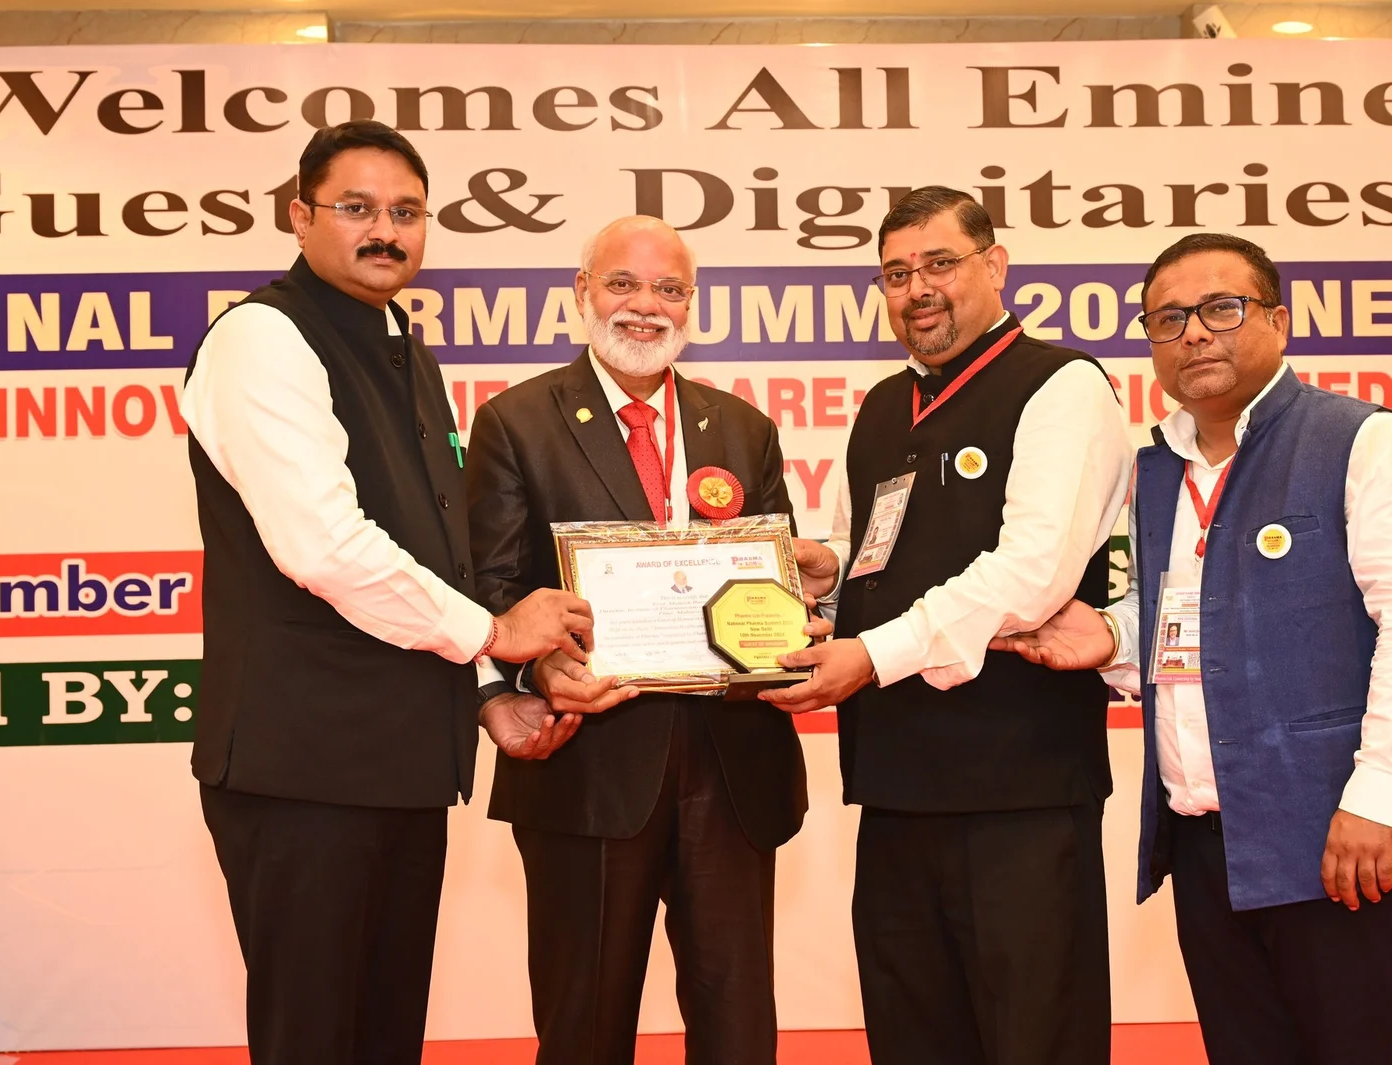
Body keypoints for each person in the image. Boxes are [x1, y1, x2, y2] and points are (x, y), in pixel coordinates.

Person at [994, 232, 1392, 1065]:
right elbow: (1198, 616)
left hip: (1344, 837)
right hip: (1210, 847)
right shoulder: (1155, 470)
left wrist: (1380, 794)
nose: (1194, 333)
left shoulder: (1366, 442)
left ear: (1278, 321)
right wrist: (1111, 635)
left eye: (1221, 308)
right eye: (1168, 318)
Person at [181, 120, 592, 1065]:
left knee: (384, 1037)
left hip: (402, 767)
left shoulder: (407, 349)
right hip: (302, 773)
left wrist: (485, 691)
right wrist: (494, 631)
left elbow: (431, 555)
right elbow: (324, 547)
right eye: (357, 208)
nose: (385, 231)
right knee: (315, 1039)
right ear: (300, 216)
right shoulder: (262, 338)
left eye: (407, 212)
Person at [764, 187, 1132, 1065]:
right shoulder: (882, 406)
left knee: (1034, 1040)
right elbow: (872, 550)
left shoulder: (1062, 384)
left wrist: (871, 653)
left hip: (1019, 789)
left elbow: (1032, 574)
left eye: (939, 263)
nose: (917, 288)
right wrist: (827, 578)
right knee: (912, 1038)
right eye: (896, 274)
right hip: (896, 784)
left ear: (995, 265)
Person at [465, 215, 821, 1065]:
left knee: (738, 1030)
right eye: (622, 283)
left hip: (732, 763)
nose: (645, 306)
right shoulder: (516, 421)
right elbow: (490, 588)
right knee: (584, 1028)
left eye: (668, 289)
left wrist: (797, 613)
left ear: (691, 303)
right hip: (588, 763)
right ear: (582, 292)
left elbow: (773, 580)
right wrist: (536, 668)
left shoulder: (743, 428)